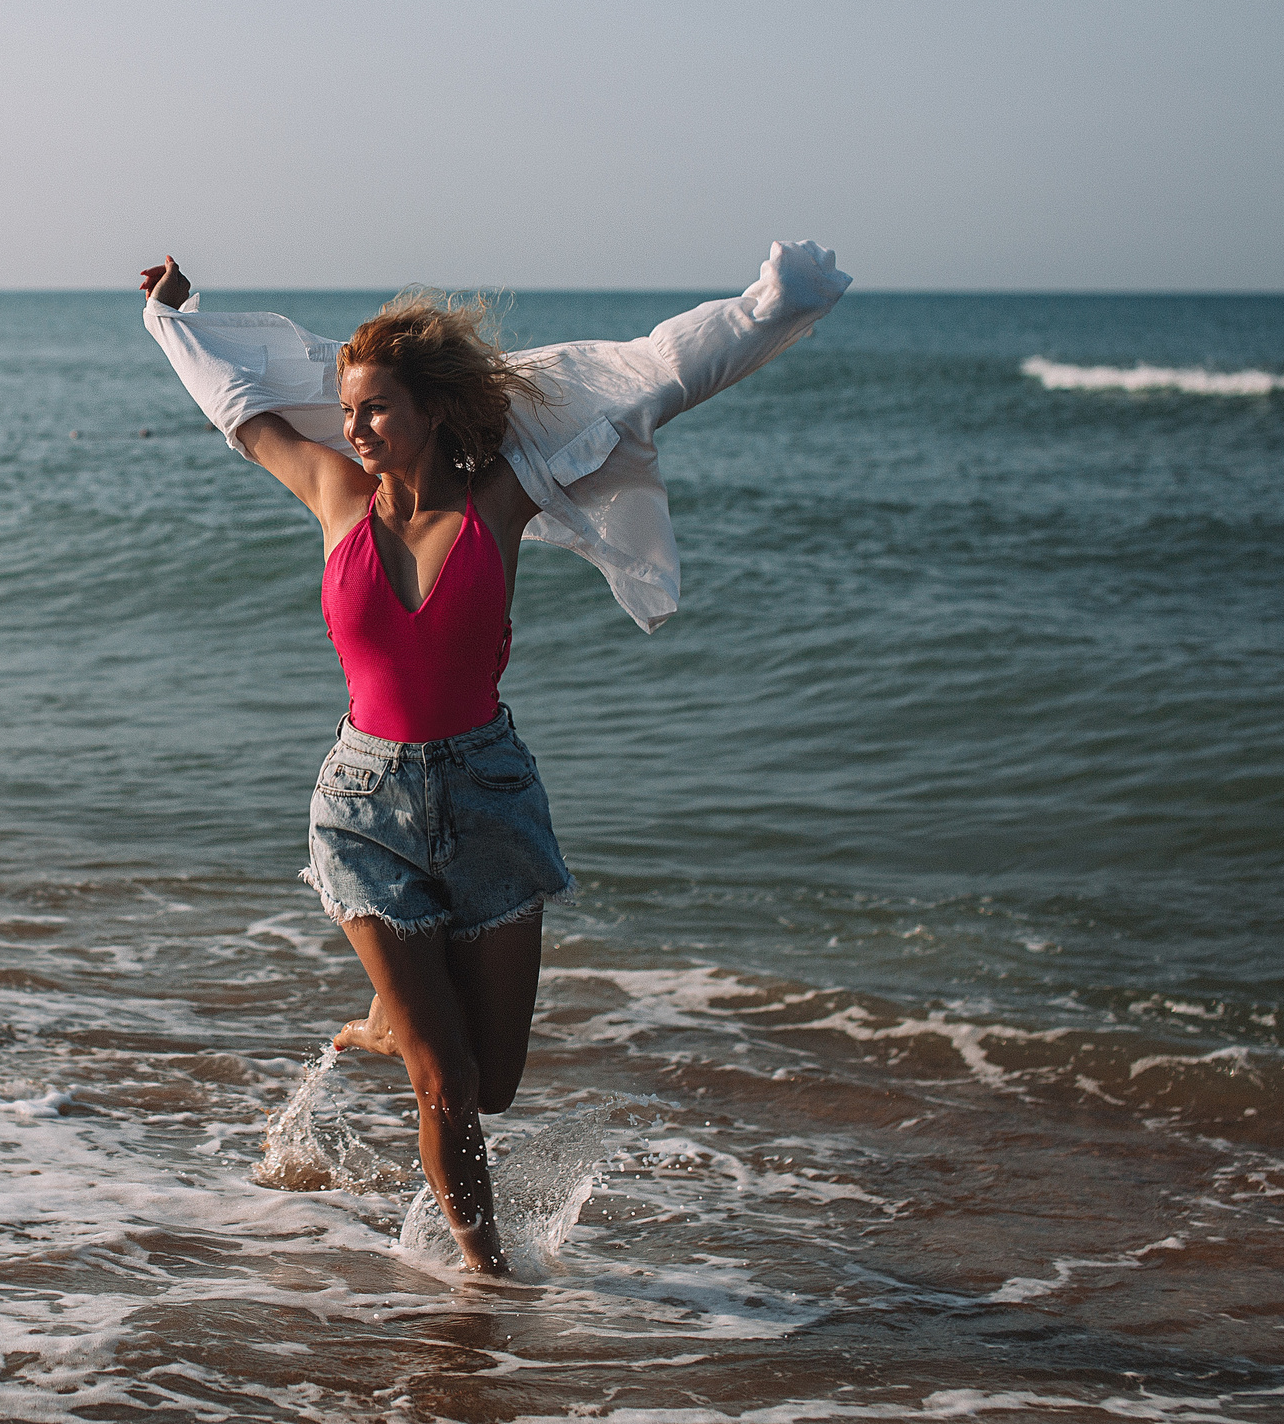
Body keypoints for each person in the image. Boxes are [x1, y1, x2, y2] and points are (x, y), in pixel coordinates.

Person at [138, 245, 849, 1274]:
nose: (352, 426)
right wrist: (175, 317)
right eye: (347, 407)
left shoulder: (498, 500)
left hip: (489, 796)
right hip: (362, 804)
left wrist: (768, 306)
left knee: (494, 1081)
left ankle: (392, 1022)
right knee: (448, 1081)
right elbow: (241, 410)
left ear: (430, 411)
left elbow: (655, 379)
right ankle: (485, 1282)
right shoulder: (335, 495)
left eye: (376, 407)